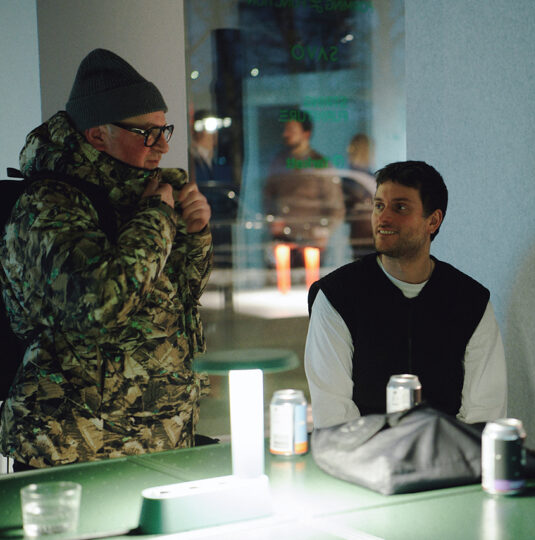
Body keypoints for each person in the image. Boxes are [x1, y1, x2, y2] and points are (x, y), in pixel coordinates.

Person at [0, 49, 213, 470]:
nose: (163, 145)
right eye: (147, 133)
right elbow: (102, 302)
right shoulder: (50, 203)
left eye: (164, 129)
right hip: (74, 446)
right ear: (98, 135)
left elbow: (180, 300)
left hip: (157, 435)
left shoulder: (145, 194)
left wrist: (195, 236)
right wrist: (156, 219)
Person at [304, 160, 507, 428]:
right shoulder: (336, 297)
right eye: (379, 206)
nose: (383, 218)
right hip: (362, 461)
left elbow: (485, 412)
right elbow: (333, 414)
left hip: (450, 460)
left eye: (400, 207)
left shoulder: (470, 301)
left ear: (433, 221)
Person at [263, 109, 345, 266]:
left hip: (312, 242)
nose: (285, 134)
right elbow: (268, 196)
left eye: (291, 130)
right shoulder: (279, 162)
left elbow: (336, 207)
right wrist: (272, 220)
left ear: (306, 133)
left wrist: (324, 230)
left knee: (311, 286)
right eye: (285, 130)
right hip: (283, 239)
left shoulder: (320, 164)